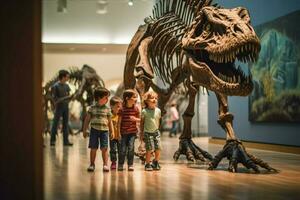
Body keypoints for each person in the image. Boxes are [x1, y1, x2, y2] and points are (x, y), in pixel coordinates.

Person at [83, 87, 113, 172]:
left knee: (105, 148)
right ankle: (92, 164)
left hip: (104, 131)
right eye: (106, 97)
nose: (107, 99)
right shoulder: (92, 108)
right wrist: (84, 130)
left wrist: (112, 131)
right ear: (99, 98)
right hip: (94, 130)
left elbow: (110, 121)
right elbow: (87, 120)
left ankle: (105, 164)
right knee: (93, 148)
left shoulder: (107, 109)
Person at [118, 89, 140, 171]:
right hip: (123, 133)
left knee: (131, 148)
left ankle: (130, 164)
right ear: (127, 98)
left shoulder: (136, 109)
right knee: (122, 149)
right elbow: (119, 122)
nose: (136, 99)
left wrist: (135, 119)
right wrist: (118, 133)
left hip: (132, 133)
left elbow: (140, 119)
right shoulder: (122, 109)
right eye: (134, 97)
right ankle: (120, 164)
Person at [50, 69, 73, 146]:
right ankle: (52, 140)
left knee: (65, 124)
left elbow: (68, 96)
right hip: (59, 107)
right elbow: (54, 99)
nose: (68, 78)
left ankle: (65, 141)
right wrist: (65, 98)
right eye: (67, 77)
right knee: (55, 124)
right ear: (63, 77)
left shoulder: (66, 86)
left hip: (65, 107)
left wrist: (69, 98)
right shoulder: (55, 86)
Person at [140, 91, 162, 171]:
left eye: (156, 98)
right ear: (146, 101)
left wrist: (158, 130)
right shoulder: (144, 111)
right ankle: (147, 163)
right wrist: (141, 134)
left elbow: (158, 121)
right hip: (147, 132)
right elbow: (142, 123)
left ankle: (155, 162)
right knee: (149, 149)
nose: (154, 100)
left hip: (156, 132)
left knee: (158, 148)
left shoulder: (158, 111)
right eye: (152, 98)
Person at [109, 96, 122, 170]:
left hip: (120, 136)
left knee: (121, 150)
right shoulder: (109, 116)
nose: (119, 108)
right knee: (113, 150)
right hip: (112, 137)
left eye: (120, 107)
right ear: (111, 106)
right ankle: (113, 162)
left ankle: (120, 163)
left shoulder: (120, 116)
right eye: (117, 107)